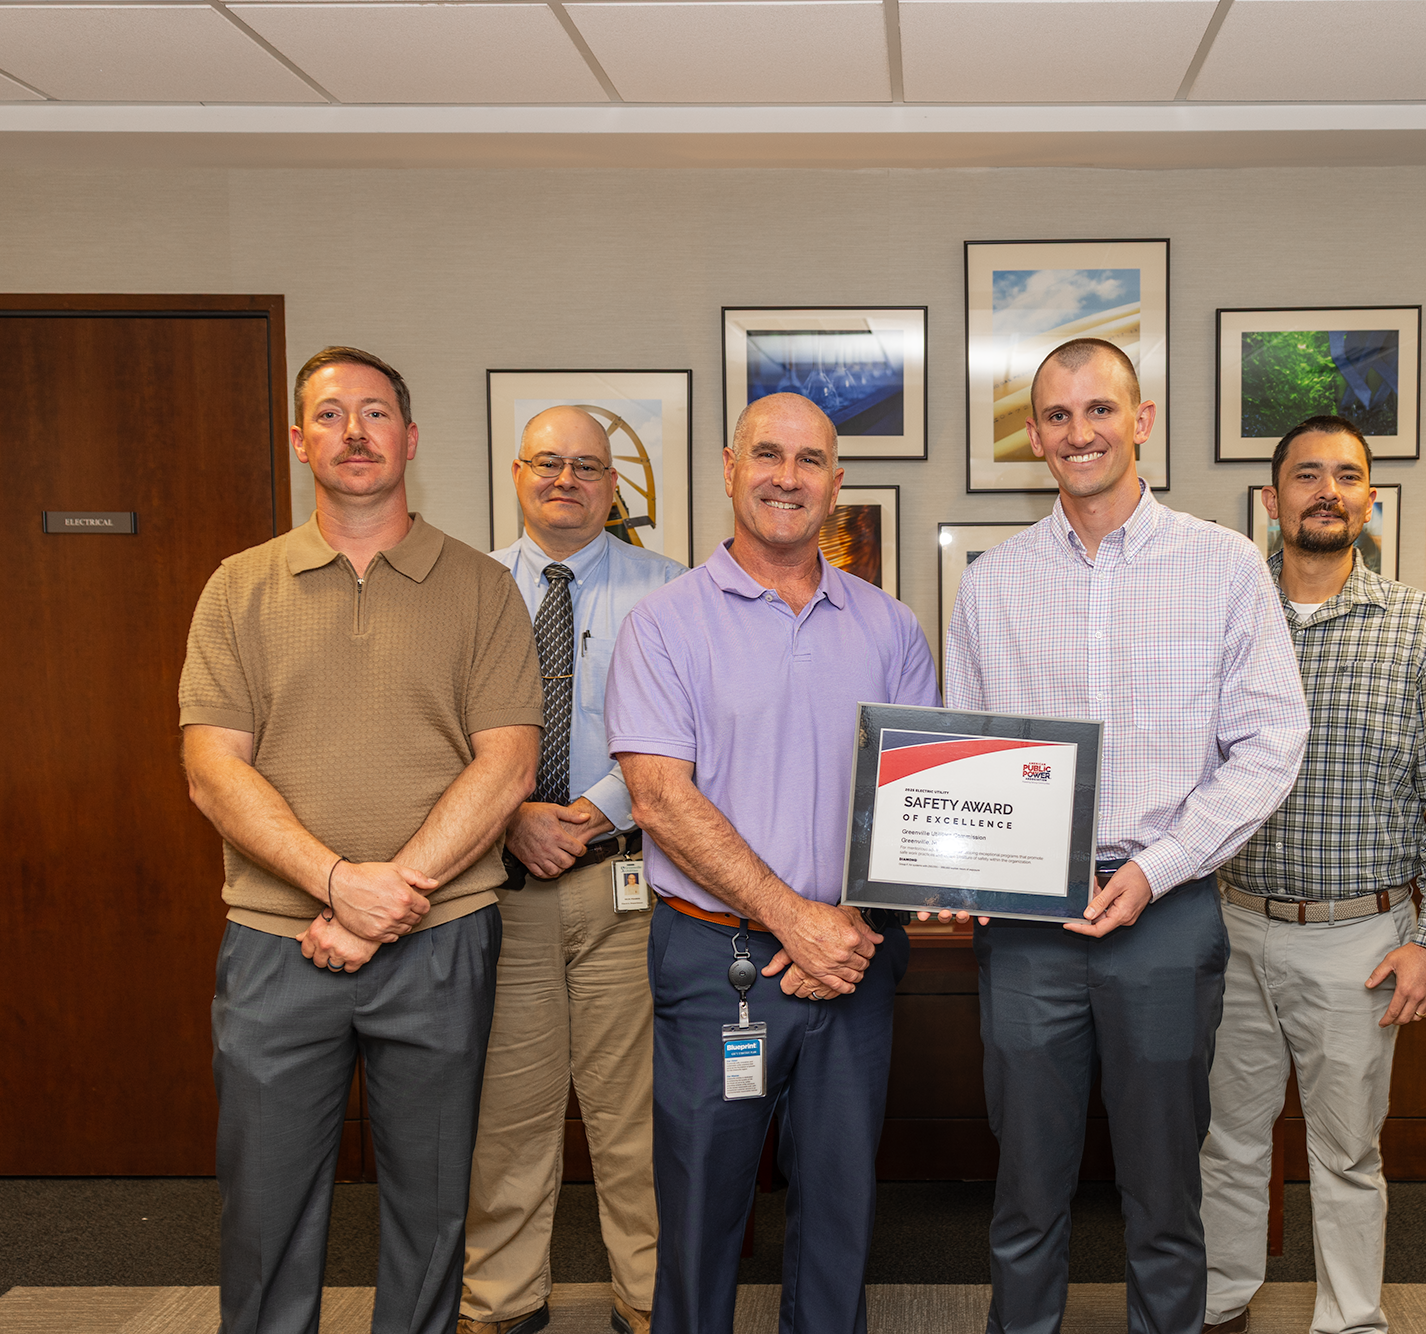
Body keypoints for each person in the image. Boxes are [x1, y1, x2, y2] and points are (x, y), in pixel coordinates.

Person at [941, 338, 1309, 1334]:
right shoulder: (993, 582)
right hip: (1027, 921)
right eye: (1055, 416)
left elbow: (1271, 743)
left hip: (1167, 913)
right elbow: (968, 751)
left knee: (1161, 1189)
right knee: (1025, 1185)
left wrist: (1152, 869)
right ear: (1034, 436)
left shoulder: (1224, 565)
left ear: (1140, 420)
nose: (1078, 431)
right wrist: (952, 858)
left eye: (1097, 409)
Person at [180, 346, 542, 1334]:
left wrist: (388, 899)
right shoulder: (238, 587)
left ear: (410, 439)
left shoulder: (478, 587)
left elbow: (506, 764)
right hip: (274, 944)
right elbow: (213, 768)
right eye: (330, 414)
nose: (354, 430)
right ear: (300, 440)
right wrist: (337, 882)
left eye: (375, 411)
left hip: (439, 940)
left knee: (429, 1208)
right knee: (265, 1205)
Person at [603, 392, 939, 1334]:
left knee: (839, 1210)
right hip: (721, 964)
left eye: (809, 460)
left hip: (857, 956)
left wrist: (850, 932)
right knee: (704, 1204)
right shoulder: (664, 624)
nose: (786, 477)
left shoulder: (889, 629)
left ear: (837, 483)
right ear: (728, 467)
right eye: (767, 455)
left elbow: (918, 808)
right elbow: (661, 799)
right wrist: (798, 921)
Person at [1199, 417, 1426, 1334]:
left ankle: (1351, 1319)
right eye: (1306, 475)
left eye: (1347, 477)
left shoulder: (1417, 628)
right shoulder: (1228, 616)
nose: (1327, 491)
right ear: (1271, 498)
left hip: (1361, 937)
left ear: (1368, 498)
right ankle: (1222, 1299)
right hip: (1229, 923)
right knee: (1229, 1140)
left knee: (1347, 1151)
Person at [461, 407, 689, 1334]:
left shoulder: (672, 591)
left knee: (635, 1114)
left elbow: (692, 731)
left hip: (627, 885)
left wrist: (595, 811)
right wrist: (511, 816)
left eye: (587, 467)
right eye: (548, 463)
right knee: (507, 1112)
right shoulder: (463, 589)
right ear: (516, 472)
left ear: (613, 484)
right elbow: (436, 727)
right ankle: (502, 1300)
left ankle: (650, 1295)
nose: (567, 480)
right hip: (498, 886)